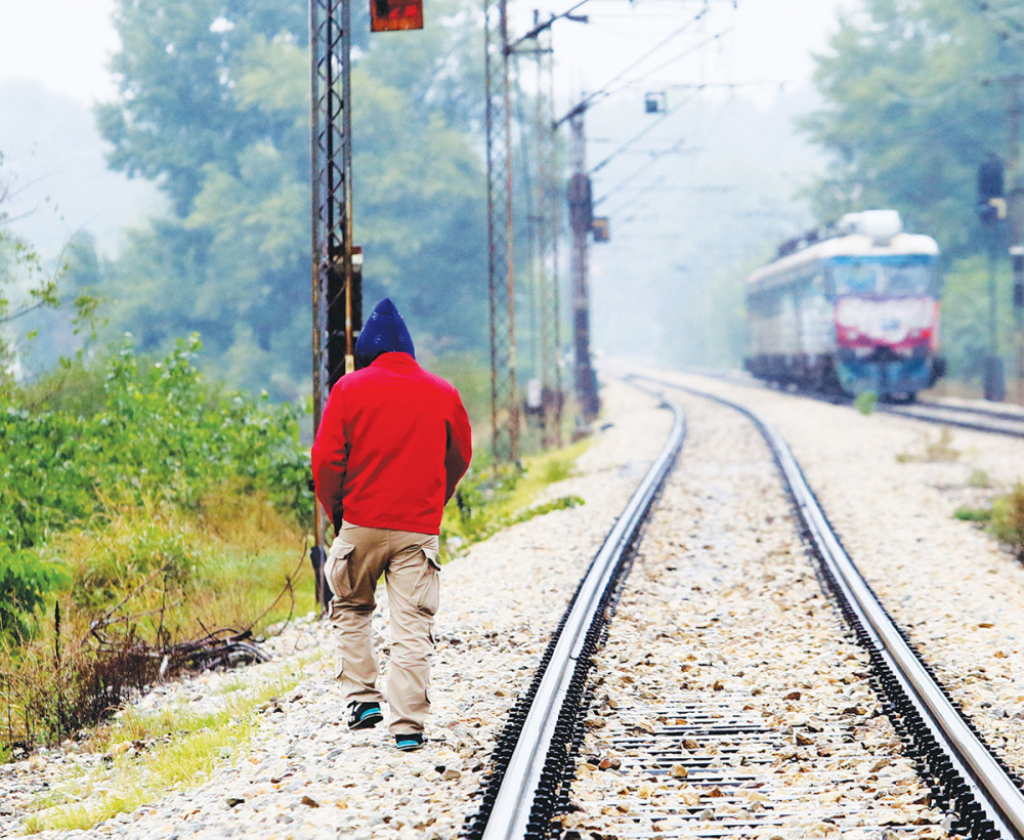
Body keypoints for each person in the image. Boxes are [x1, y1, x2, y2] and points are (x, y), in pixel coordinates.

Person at [311, 297, 472, 751]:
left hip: (359, 520)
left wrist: (337, 513)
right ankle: (407, 727)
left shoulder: (348, 389)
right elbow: (459, 456)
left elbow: (326, 460)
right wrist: (433, 501)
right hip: (417, 528)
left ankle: (362, 699)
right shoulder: (443, 392)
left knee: (350, 605)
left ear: (365, 352)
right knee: (412, 624)